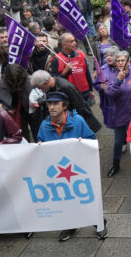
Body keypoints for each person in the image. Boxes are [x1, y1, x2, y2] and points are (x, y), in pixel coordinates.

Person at [36, 91, 105, 241]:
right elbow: (40, 143)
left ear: (64, 106)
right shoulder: (45, 125)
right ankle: (70, 225)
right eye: (49, 104)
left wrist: (83, 143)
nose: (51, 107)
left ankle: (98, 223)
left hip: (77, 168)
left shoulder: (78, 121)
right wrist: (40, 146)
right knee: (65, 199)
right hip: (58, 171)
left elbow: (92, 139)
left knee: (86, 197)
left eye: (55, 104)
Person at [105, 50, 131, 177]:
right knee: (118, 142)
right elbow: (110, 93)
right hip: (119, 114)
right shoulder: (113, 77)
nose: (120, 63)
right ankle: (116, 164)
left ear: (128, 62)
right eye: (118, 61)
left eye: (122, 60)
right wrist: (118, 81)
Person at [30, 70, 102, 133]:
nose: (39, 89)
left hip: (75, 122)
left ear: (45, 83)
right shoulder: (50, 86)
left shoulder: (66, 87)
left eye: (39, 87)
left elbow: (79, 106)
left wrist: (76, 125)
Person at [49, 33, 95, 104]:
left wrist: (91, 89)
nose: (75, 43)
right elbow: (55, 81)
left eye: (74, 41)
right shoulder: (56, 59)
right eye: (71, 41)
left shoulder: (81, 55)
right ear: (63, 45)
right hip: (69, 94)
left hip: (84, 91)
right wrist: (65, 72)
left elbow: (87, 73)